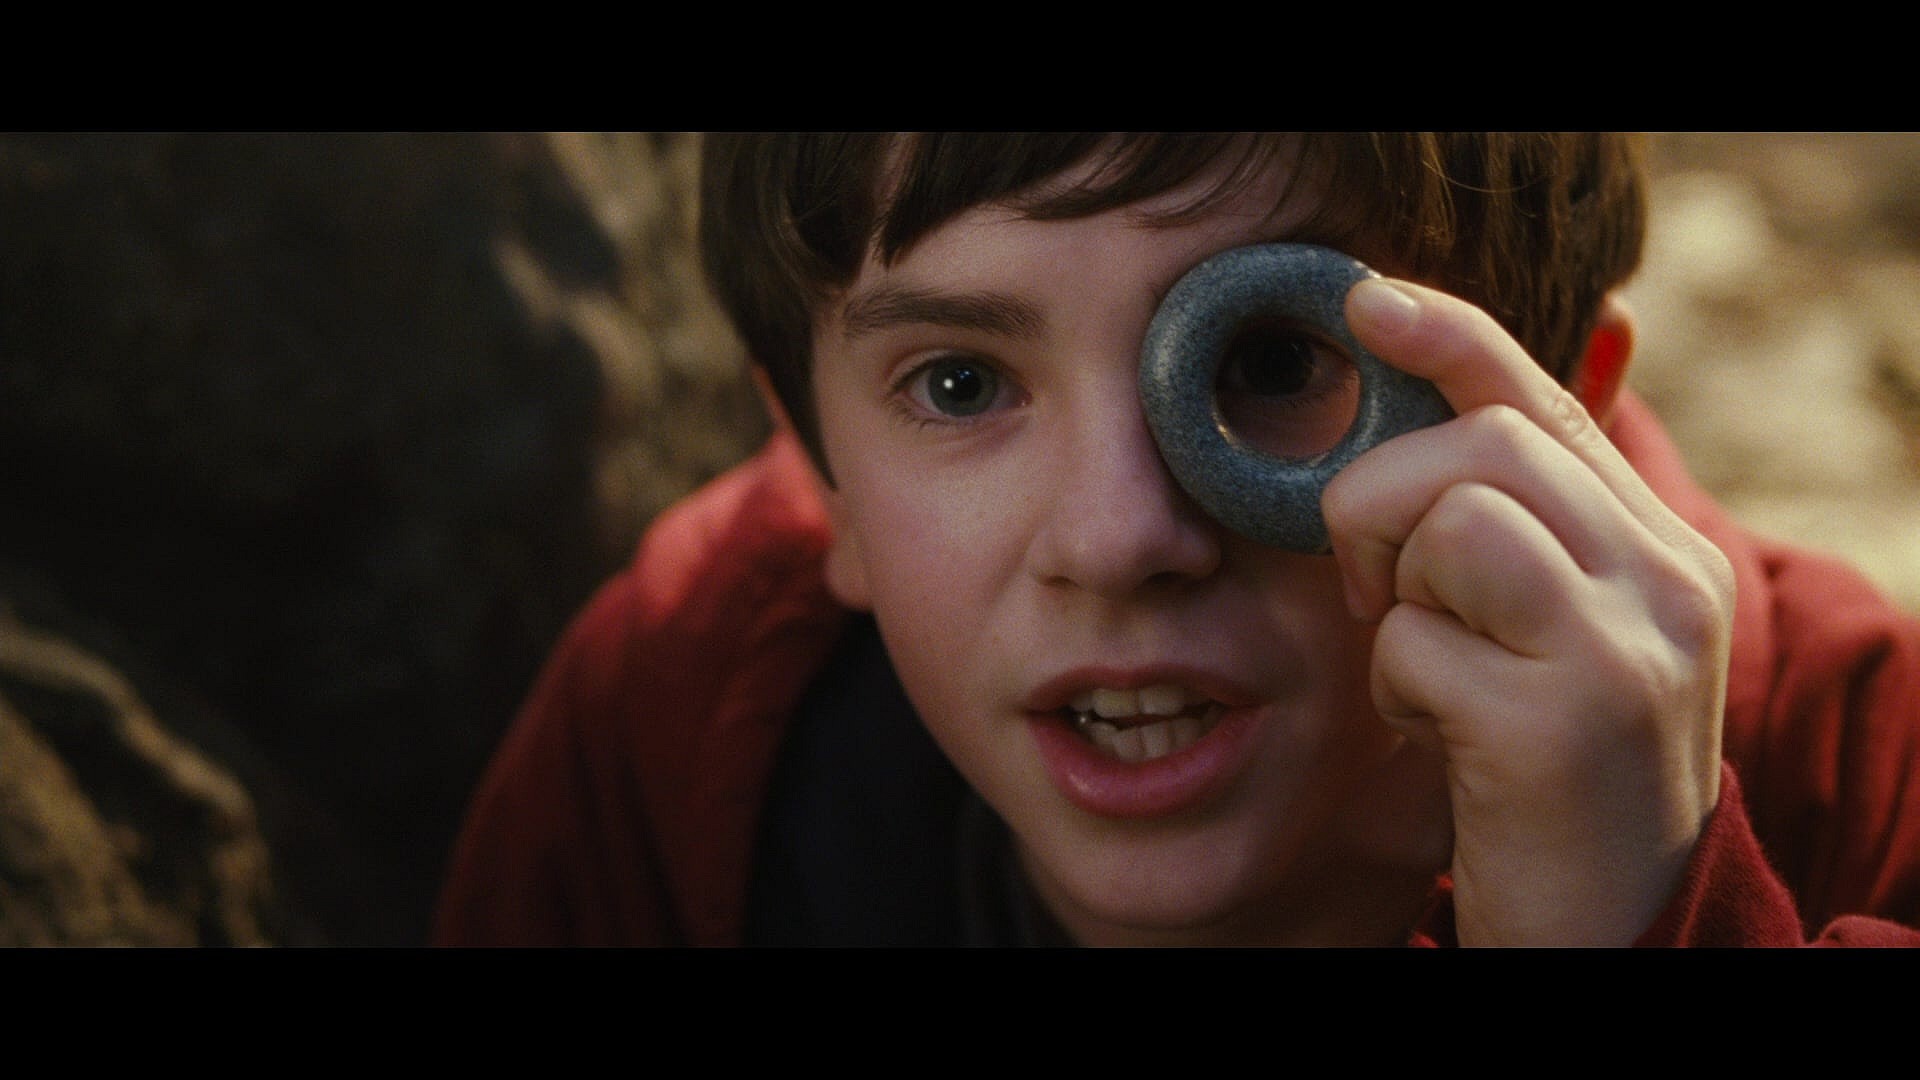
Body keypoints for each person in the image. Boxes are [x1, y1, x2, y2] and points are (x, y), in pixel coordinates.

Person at [432, 134, 1920, 946]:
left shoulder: (1865, 768)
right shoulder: (676, 750)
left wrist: (1645, 923)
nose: (1123, 535)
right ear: (823, 484)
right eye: (959, 384)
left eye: (1272, 364)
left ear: (1567, 420)